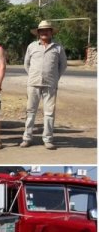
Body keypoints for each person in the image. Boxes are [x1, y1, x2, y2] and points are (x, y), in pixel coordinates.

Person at [21, 20, 67, 150]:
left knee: (49, 112)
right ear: (38, 33)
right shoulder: (32, 46)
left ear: (51, 32)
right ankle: (27, 138)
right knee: (30, 111)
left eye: (47, 30)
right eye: (42, 30)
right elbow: (26, 64)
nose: (44, 32)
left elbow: (63, 65)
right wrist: (33, 76)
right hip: (33, 83)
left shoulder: (58, 47)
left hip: (50, 84)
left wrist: (55, 78)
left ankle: (48, 139)